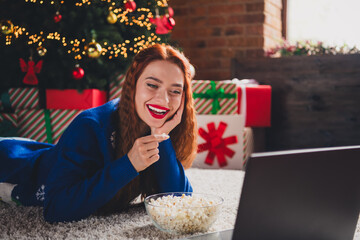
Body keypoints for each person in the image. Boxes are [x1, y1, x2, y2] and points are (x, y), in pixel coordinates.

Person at [0, 44, 198, 223]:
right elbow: (55, 209)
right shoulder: (91, 125)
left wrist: (161, 138)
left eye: (175, 91)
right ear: (133, 86)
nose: (164, 101)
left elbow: (180, 200)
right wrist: (129, 164)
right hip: (12, 166)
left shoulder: (156, 124)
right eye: (152, 85)